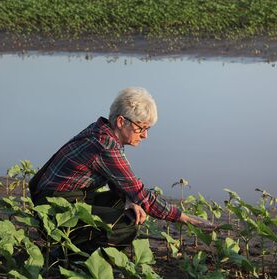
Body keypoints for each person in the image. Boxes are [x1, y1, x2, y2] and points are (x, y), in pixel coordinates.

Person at [29, 87, 214, 254]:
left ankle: (74, 247)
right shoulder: (106, 146)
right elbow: (141, 194)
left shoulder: (101, 130)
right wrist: (186, 218)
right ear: (120, 121)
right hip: (54, 211)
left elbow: (119, 182)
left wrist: (127, 200)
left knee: (123, 202)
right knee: (127, 224)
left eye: (148, 129)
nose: (145, 135)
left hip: (61, 200)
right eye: (141, 128)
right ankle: (72, 257)